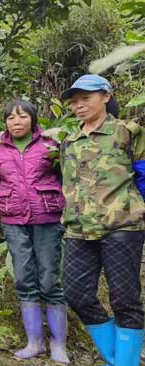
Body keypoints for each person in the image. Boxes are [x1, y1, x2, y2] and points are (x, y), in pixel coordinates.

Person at [60, 74, 145, 366]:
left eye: (86, 98)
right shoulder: (69, 141)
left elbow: (144, 175)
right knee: (76, 294)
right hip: (78, 230)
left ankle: (125, 362)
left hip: (121, 226)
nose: (79, 105)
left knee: (125, 301)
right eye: (74, 101)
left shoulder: (127, 132)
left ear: (106, 96)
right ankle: (116, 360)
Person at [0, 100, 69, 364]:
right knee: (23, 277)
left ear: (33, 119)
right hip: (13, 222)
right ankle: (34, 342)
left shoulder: (50, 146)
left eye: (22, 117)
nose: (16, 122)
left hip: (47, 218)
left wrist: (60, 205)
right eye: (10, 117)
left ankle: (59, 345)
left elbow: (64, 176)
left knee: (49, 279)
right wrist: (5, 203)